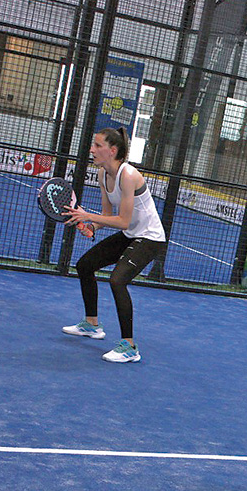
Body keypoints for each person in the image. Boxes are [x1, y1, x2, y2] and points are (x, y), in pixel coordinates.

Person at [61, 127, 167, 363]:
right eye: (93, 144)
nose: (92, 149)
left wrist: (88, 216)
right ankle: (92, 325)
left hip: (150, 238)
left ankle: (129, 347)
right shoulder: (102, 174)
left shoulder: (128, 175)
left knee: (118, 280)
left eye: (98, 145)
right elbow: (108, 215)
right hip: (131, 234)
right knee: (85, 265)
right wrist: (90, 227)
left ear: (113, 150)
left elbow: (123, 220)